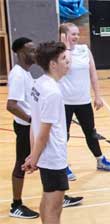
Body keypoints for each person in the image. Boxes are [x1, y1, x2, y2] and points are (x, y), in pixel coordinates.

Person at [22, 41, 77, 223]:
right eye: (63, 59)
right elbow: (44, 132)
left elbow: (33, 123)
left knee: (47, 199)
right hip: (53, 157)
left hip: (44, 155)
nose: (67, 63)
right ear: (53, 64)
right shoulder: (53, 92)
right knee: (54, 207)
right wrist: (34, 158)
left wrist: (33, 155)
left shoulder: (38, 84)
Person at [58, 23, 110, 181]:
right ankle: (62, 165)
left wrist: (98, 96)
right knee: (64, 136)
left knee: (90, 133)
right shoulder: (59, 52)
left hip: (83, 100)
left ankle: (100, 160)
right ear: (63, 36)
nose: (76, 37)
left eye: (77, 34)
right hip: (64, 102)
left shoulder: (85, 50)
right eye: (72, 34)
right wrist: (66, 47)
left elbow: (93, 74)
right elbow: (66, 65)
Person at [6, 37, 39, 219]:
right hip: (26, 129)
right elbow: (11, 105)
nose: (34, 53)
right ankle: (16, 205)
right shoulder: (18, 74)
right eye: (31, 50)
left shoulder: (26, 73)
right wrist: (31, 119)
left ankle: (57, 193)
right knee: (21, 164)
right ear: (20, 52)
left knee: (47, 160)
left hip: (33, 128)